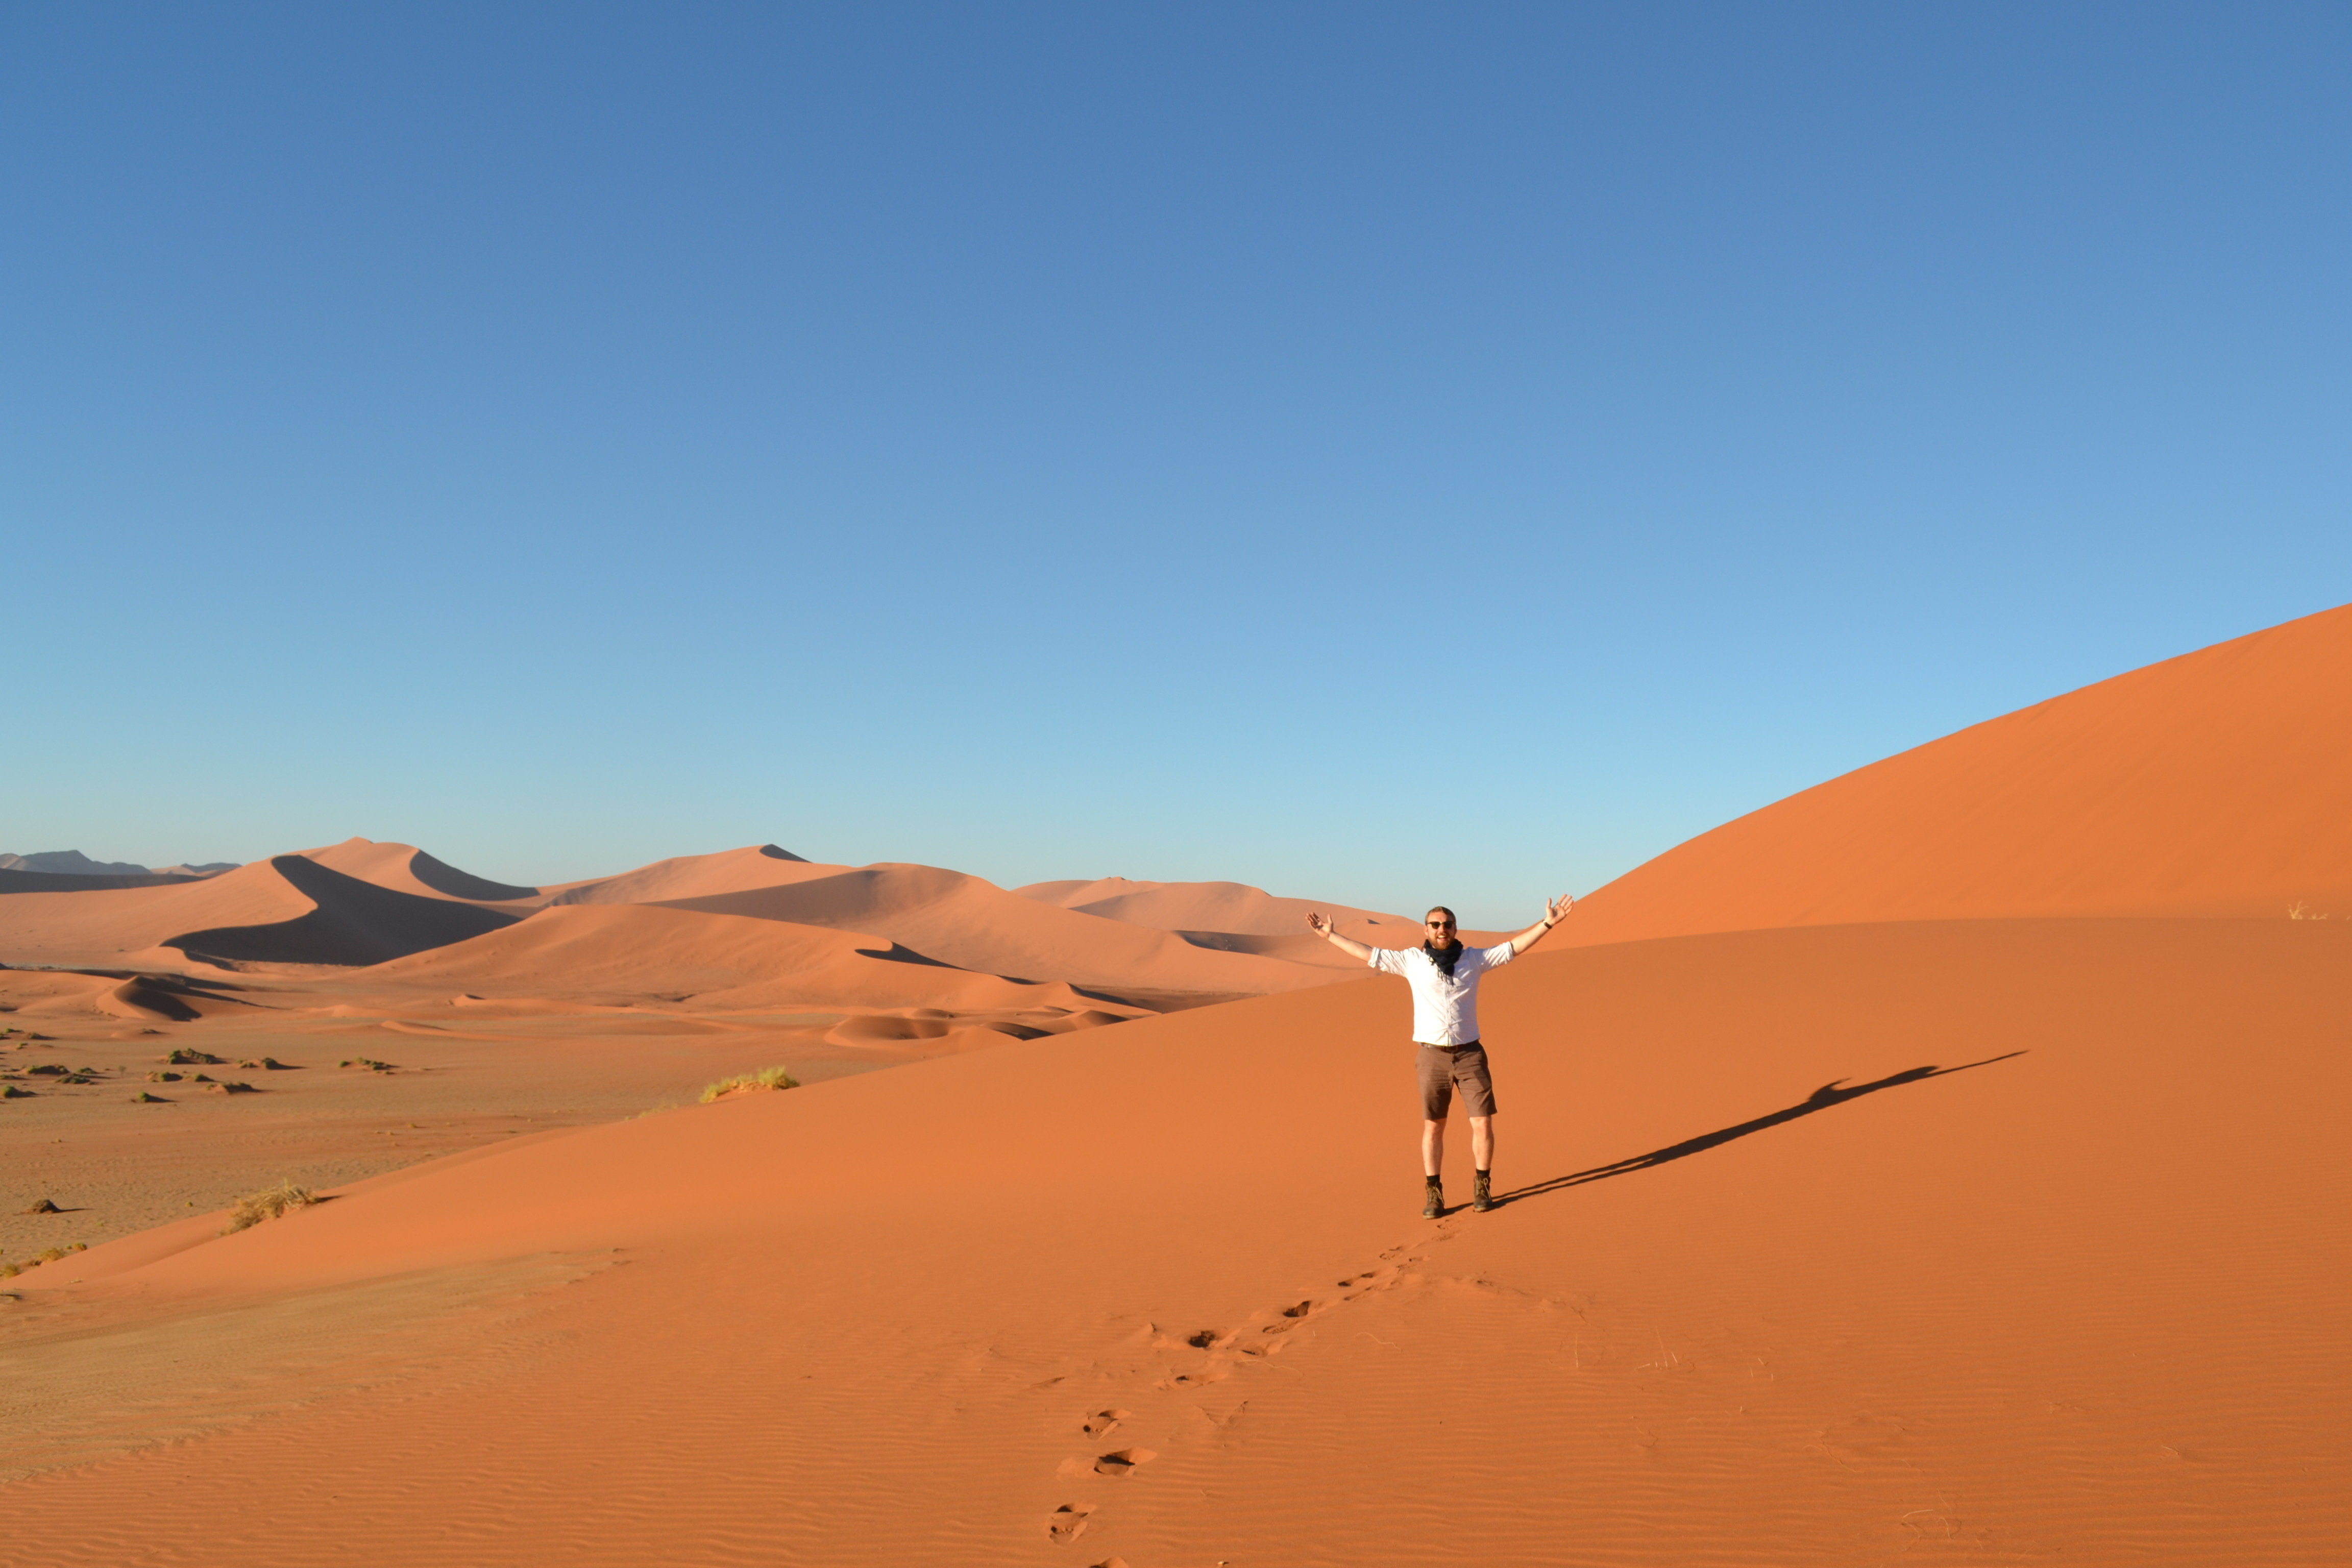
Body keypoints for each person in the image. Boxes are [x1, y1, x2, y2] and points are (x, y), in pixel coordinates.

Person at [1305, 896, 1574, 1217]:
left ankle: (1482, 1186)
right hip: (1432, 1057)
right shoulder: (1412, 961)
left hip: (1470, 1054)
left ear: (1455, 928)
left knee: (1483, 1123)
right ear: (1426, 929)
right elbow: (1370, 954)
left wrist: (1547, 924)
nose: (1441, 929)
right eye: (1435, 925)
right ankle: (1434, 1193)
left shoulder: (1473, 959)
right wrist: (1330, 936)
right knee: (1434, 1127)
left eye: (1447, 925)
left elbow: (1512, 948)